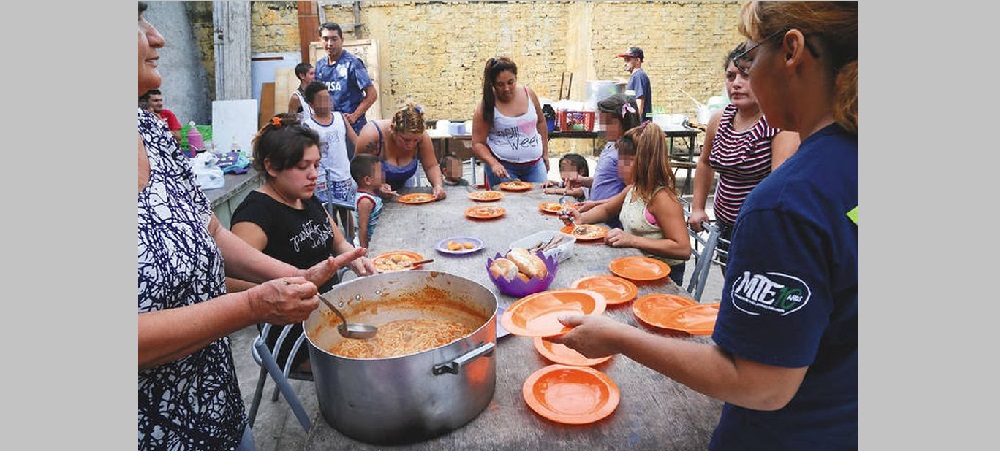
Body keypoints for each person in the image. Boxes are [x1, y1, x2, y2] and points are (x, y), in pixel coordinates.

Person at [552, 2, 858, 449]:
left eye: (751, 58)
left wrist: (618, 337)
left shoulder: (785, 206)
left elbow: (759, 383)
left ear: (791, 51)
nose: (745, 77)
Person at [138, 4, 365, 450]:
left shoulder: (150, 133)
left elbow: (213, 235)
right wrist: (255, 305)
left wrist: (294, 278)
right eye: (135, 18)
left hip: (217, 410)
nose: (156, 36)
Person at [228, 113, 377, 373]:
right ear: (272, 167)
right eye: (302, 167)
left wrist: (356, 260)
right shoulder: (256, 213)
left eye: (316, 165)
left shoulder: (305, 197)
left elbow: (339, 243)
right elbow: (226, 281)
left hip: (331, 315)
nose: (313, 175)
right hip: (292, 333)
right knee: (374, 364)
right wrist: (280, 291)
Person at [687, 42, 800, 271]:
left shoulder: (779, 124)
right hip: (724, 227)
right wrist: (698, 207)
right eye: (730, 76)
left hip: (760, 232)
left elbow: (777, 187)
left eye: (746, 76)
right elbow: (705, 162)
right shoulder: (720, 120)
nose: (736, 84)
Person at [559, 122, 690, 286]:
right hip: (635, 266)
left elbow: (683, 249)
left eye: (627, 162)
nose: (620, 168)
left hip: (661, 279)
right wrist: (580, 218)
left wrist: (632, 240)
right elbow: (607, 210)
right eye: (620, 161)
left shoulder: (662, 198)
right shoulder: (632, 189)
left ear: (646, 163)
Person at [471, 56, 550, 189]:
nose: (506, 88)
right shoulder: (487, 105)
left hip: (535, 165)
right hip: (505, 169)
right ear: (493, 84)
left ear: (516, 78)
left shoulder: (529, 94)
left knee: (539, 201)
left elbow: (541, 122)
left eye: (510, 82)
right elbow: (477, 143)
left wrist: (545, 153)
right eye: (500, 84)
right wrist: (493, 164)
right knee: (508, 205)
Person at [570, 93, 642, 229]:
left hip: (611, 222)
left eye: (608, 123)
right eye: (602, 122)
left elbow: (631, 192)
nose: (603, 127)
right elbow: (607, 180)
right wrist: (583, 181)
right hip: (596, 215)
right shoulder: (610, 145)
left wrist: (597, 205)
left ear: (624, 122)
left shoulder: (627, 154)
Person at [302, 80, 359, 238]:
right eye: (321, 99)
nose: (327, 102)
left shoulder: (340, 118)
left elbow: (356, 141)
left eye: (328, 98)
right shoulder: (308, 126)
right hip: (321, 180)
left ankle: (351, 242)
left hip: (343, 175)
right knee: (328, 217)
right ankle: (334, 246)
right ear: (311, 104)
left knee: (346, 211)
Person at [355, 103, 447, 199]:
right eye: (406, 140)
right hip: (369, 197)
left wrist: (438, 186)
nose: (411, 145)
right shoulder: (371, 136)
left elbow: (431, 166)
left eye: (416, 140)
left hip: (402, 193)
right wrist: (378, 187)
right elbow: (358, 171)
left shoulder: (422, 137)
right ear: (392, 129)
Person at [315, 22, 378, 135]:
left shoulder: (352, 64)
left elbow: (372, 94)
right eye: (325, 39)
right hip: (329, 127)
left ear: (342, 40)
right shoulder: (320, 66)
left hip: (352, 128)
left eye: (334, 39)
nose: (330, 44)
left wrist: (354, 116)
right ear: (320, 40)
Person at [350, 153, 385, 249]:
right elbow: (362, 228)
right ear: (368, 180)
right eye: (380, 172)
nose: (383, 174)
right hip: (368, 244)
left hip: (375, 238)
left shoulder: (372, 193)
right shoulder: (365, 201)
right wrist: (365, 251)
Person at [617, 46, 652, 120]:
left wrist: (635, 125)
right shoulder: (637, 76)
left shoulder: (639, 76)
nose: (625, 63)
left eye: (628, 60)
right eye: (624, 60)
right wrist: (627, 83)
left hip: (640, 127)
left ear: (638, 60)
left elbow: (639, 104)